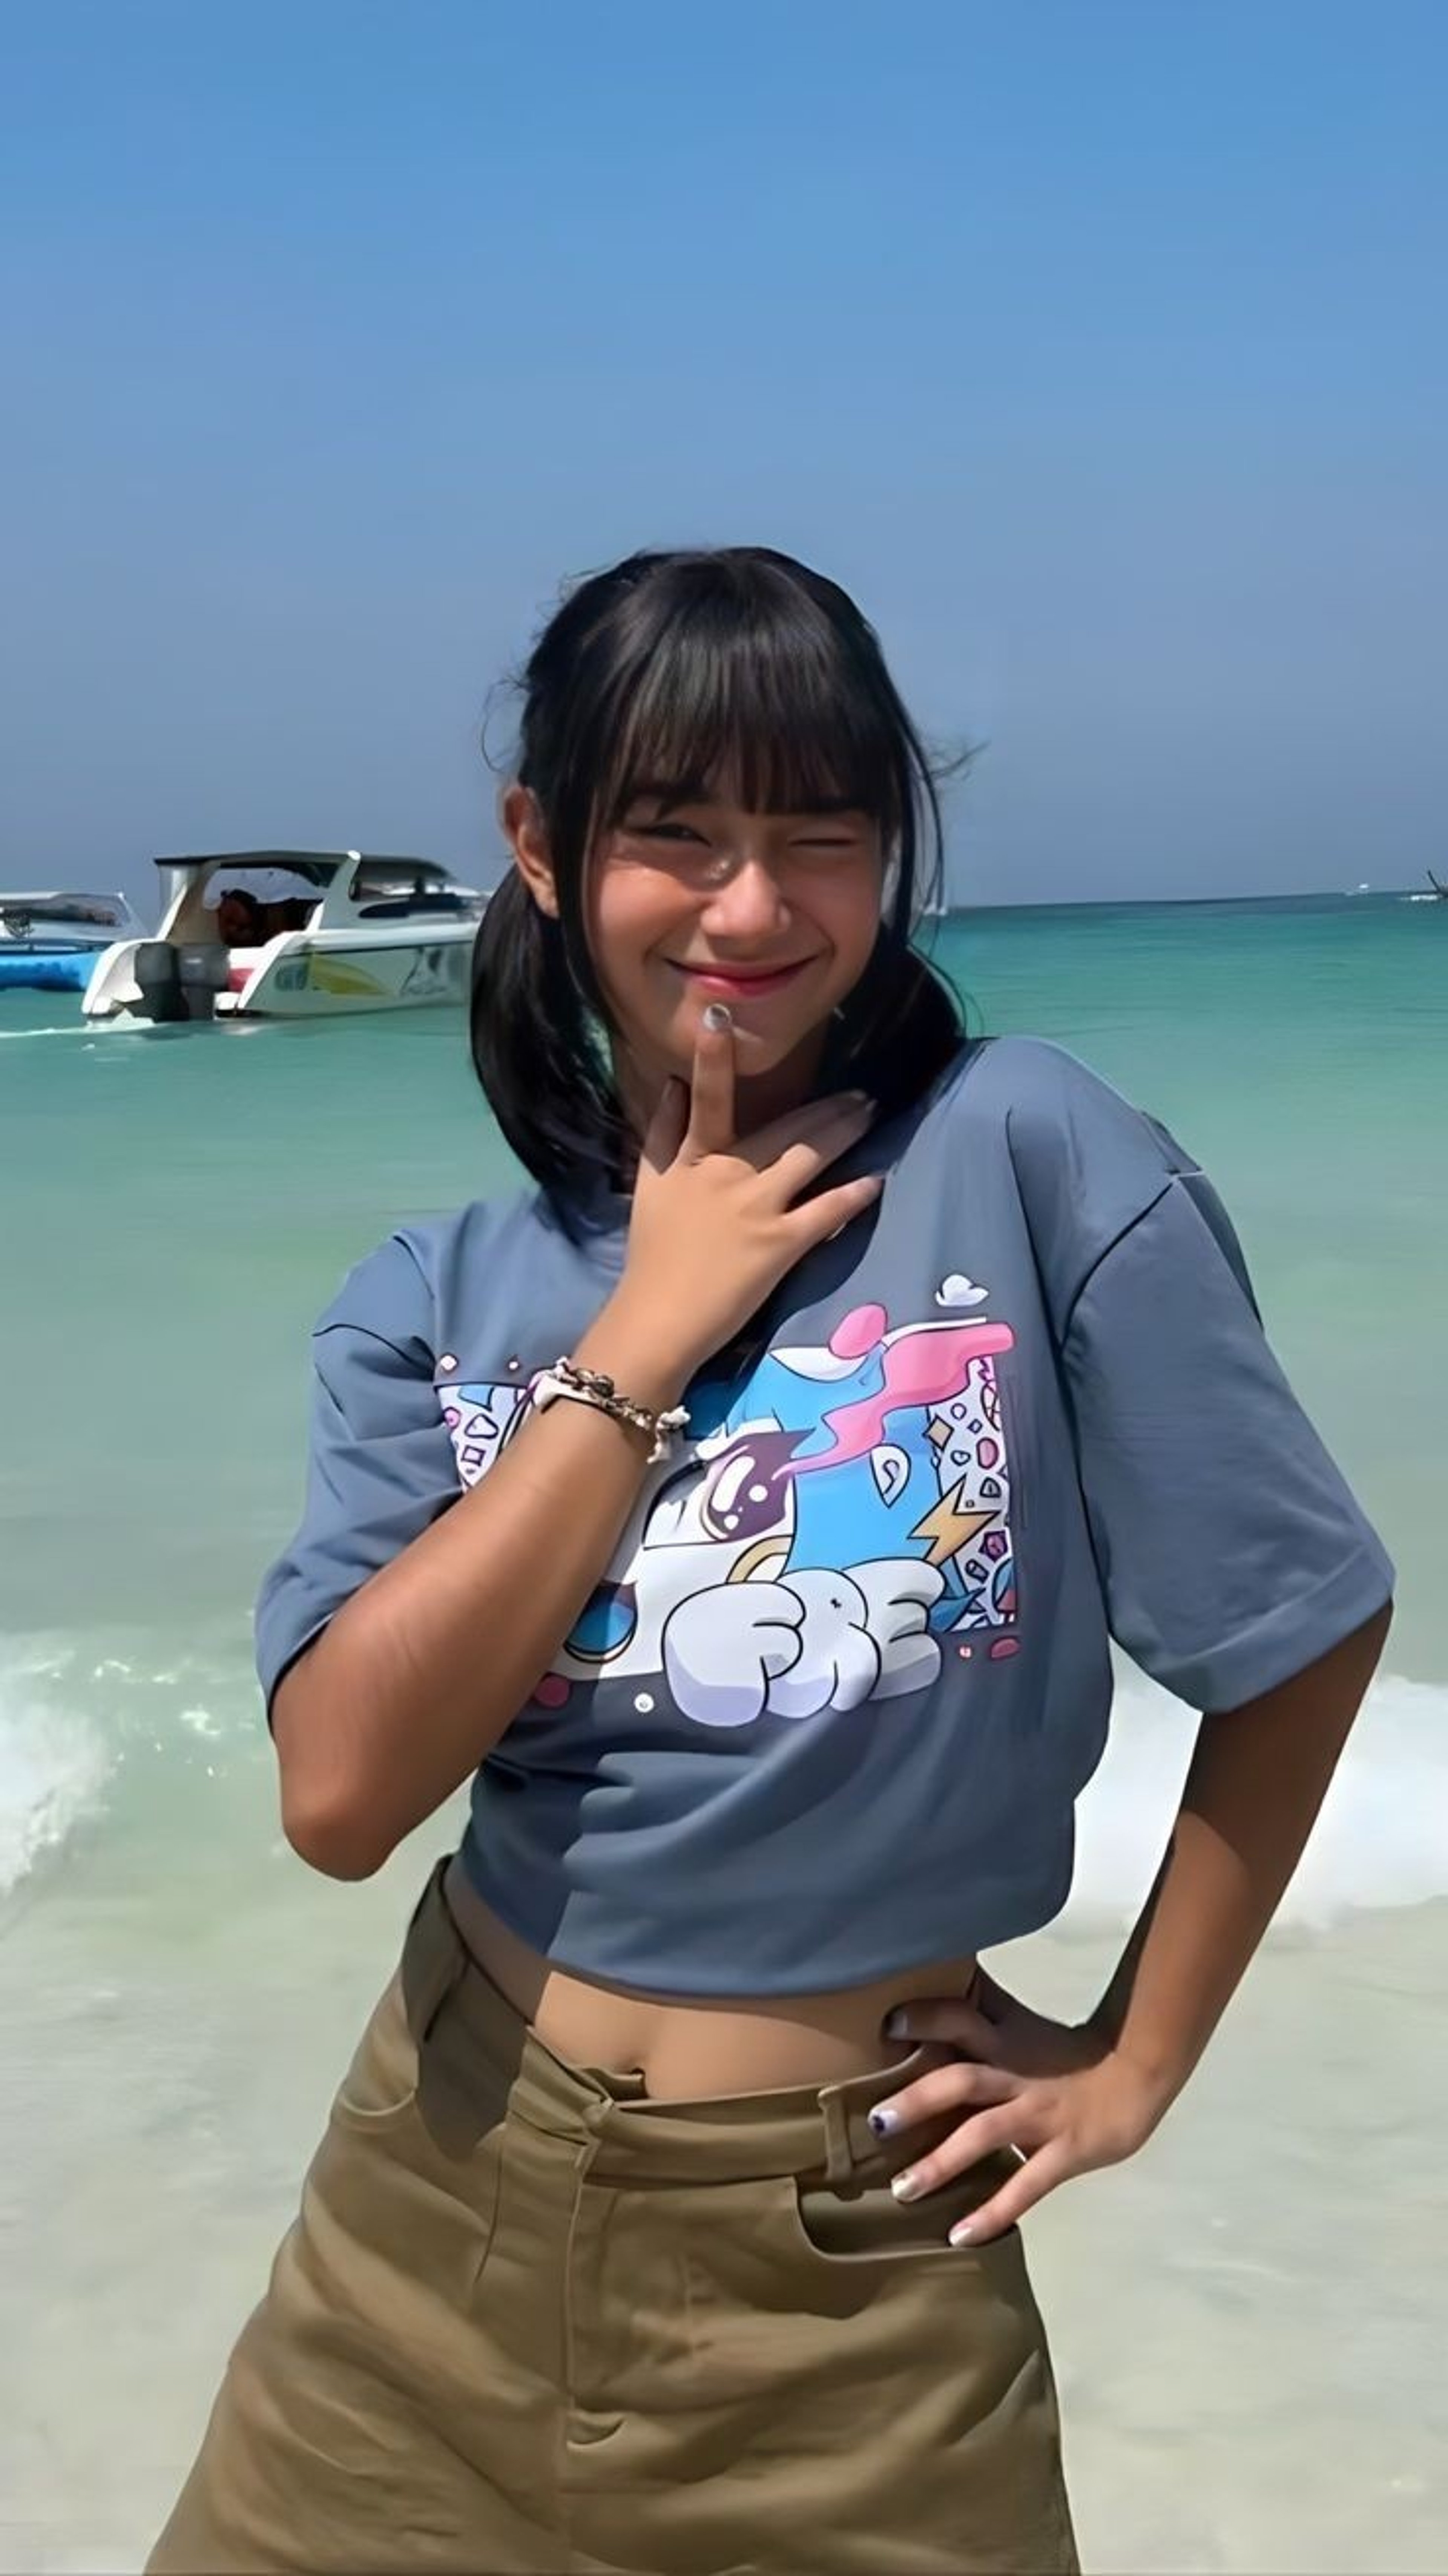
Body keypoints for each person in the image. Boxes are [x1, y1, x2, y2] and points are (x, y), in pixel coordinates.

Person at [148, 548, 1393, 2576]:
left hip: (859, 2269)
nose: (753, 908)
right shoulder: (435, 1301)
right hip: (434, 2211)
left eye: (823, 836)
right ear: (541, 849)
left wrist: (1135, 2059)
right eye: (679, 836)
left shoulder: (1030, 1155)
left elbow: (1300, 1623)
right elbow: (344, 1793)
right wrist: (643, 1336)